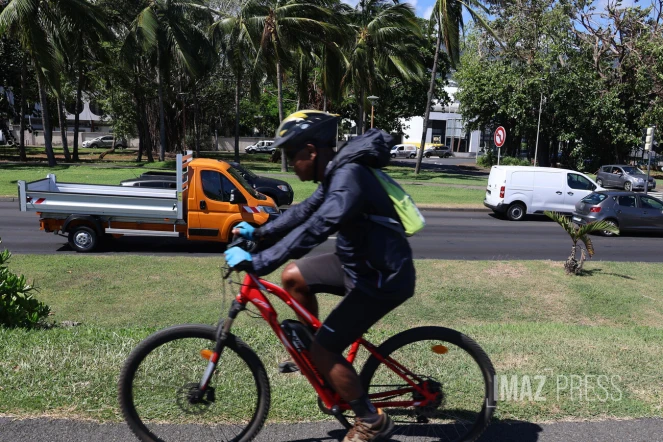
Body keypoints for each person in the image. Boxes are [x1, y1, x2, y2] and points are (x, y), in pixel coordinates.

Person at [224, 110, 416, 442]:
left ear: (311, 152)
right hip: (357, 263)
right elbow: (304, 211)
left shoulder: (348, 176)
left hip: (382, 277)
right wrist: (260, 232)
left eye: (290, 155)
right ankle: (313, 357)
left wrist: (258, 261)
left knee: (325, 350)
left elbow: (318, 226)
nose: (289, 163)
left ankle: (371, 421)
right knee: (294, 276)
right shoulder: (336, 173)